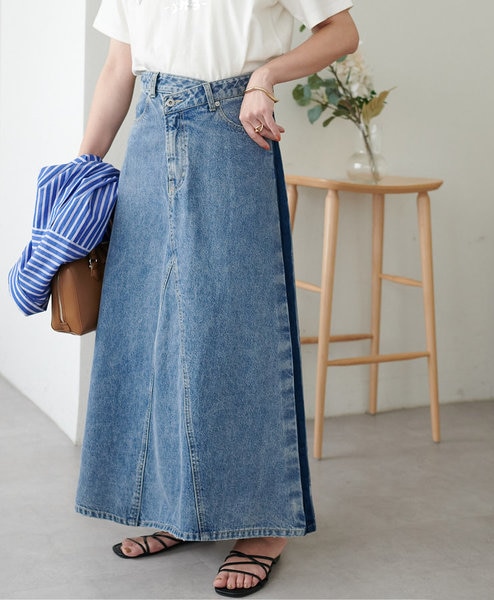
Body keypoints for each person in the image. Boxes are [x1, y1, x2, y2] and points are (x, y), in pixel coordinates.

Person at [76, 1, 359, 597]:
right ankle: (179, 508)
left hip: (231, 129)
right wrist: (84, 166)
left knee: (235, 330)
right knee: (149, 331)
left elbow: (341, 32)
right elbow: (118, 68)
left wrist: (265, 77)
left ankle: (263, 526)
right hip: (150, 134)